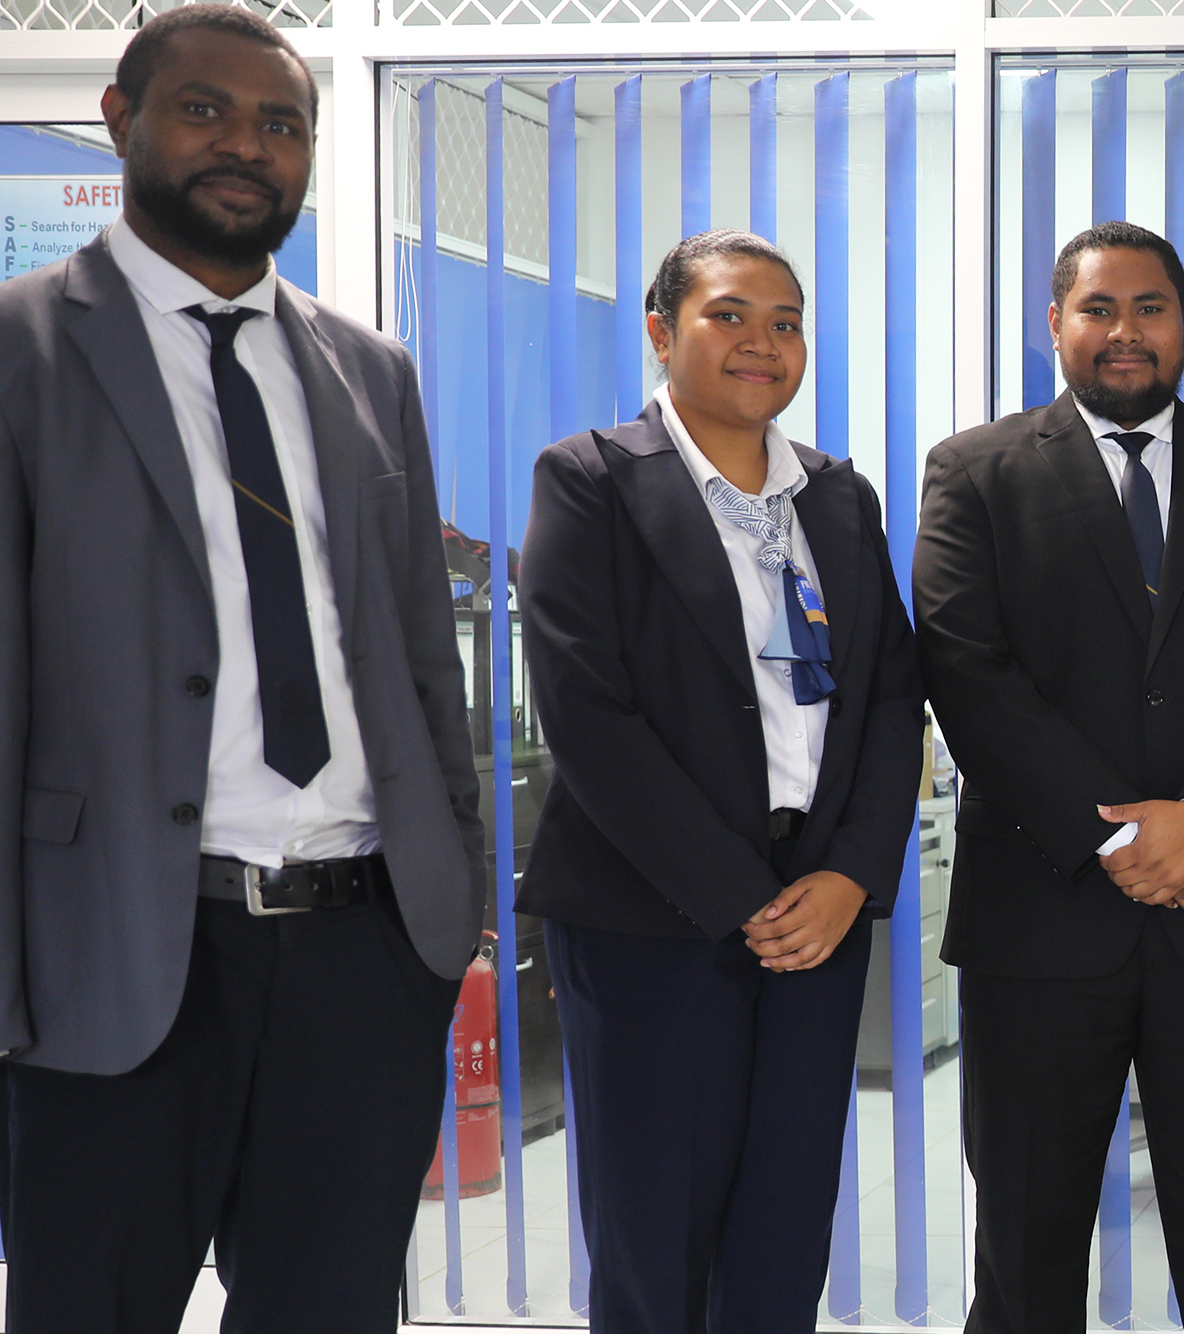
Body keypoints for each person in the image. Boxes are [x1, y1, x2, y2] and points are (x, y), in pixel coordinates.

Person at [0, 7, 486, 1329]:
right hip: (118, 949)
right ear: (124, 119)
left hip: (360, 948)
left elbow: (414, 656)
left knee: (330, 1308)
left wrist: (444, 900)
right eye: (206, 110)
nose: (248, 145)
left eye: (282, 123)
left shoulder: (370, 373)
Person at [916, 221, 1184, 1334]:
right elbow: (970, 672)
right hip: (1041, 915)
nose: (1124, 331)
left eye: (1150, 307)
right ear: (1053, 323)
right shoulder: (974, 472)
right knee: (1025, 1239)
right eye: (1097, 308)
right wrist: (1120, 837)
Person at [515, 229, 926, 1333]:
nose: (763, 342)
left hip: (819, 906)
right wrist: (743, 894)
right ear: (662, 330)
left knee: (783, 1217)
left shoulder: (838, 497)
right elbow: (588, 716)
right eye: (730, 315)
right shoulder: (593, 478)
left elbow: (890, 698)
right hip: (652, 910)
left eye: (785, 321)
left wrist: (847, 873)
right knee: (655, 1223)